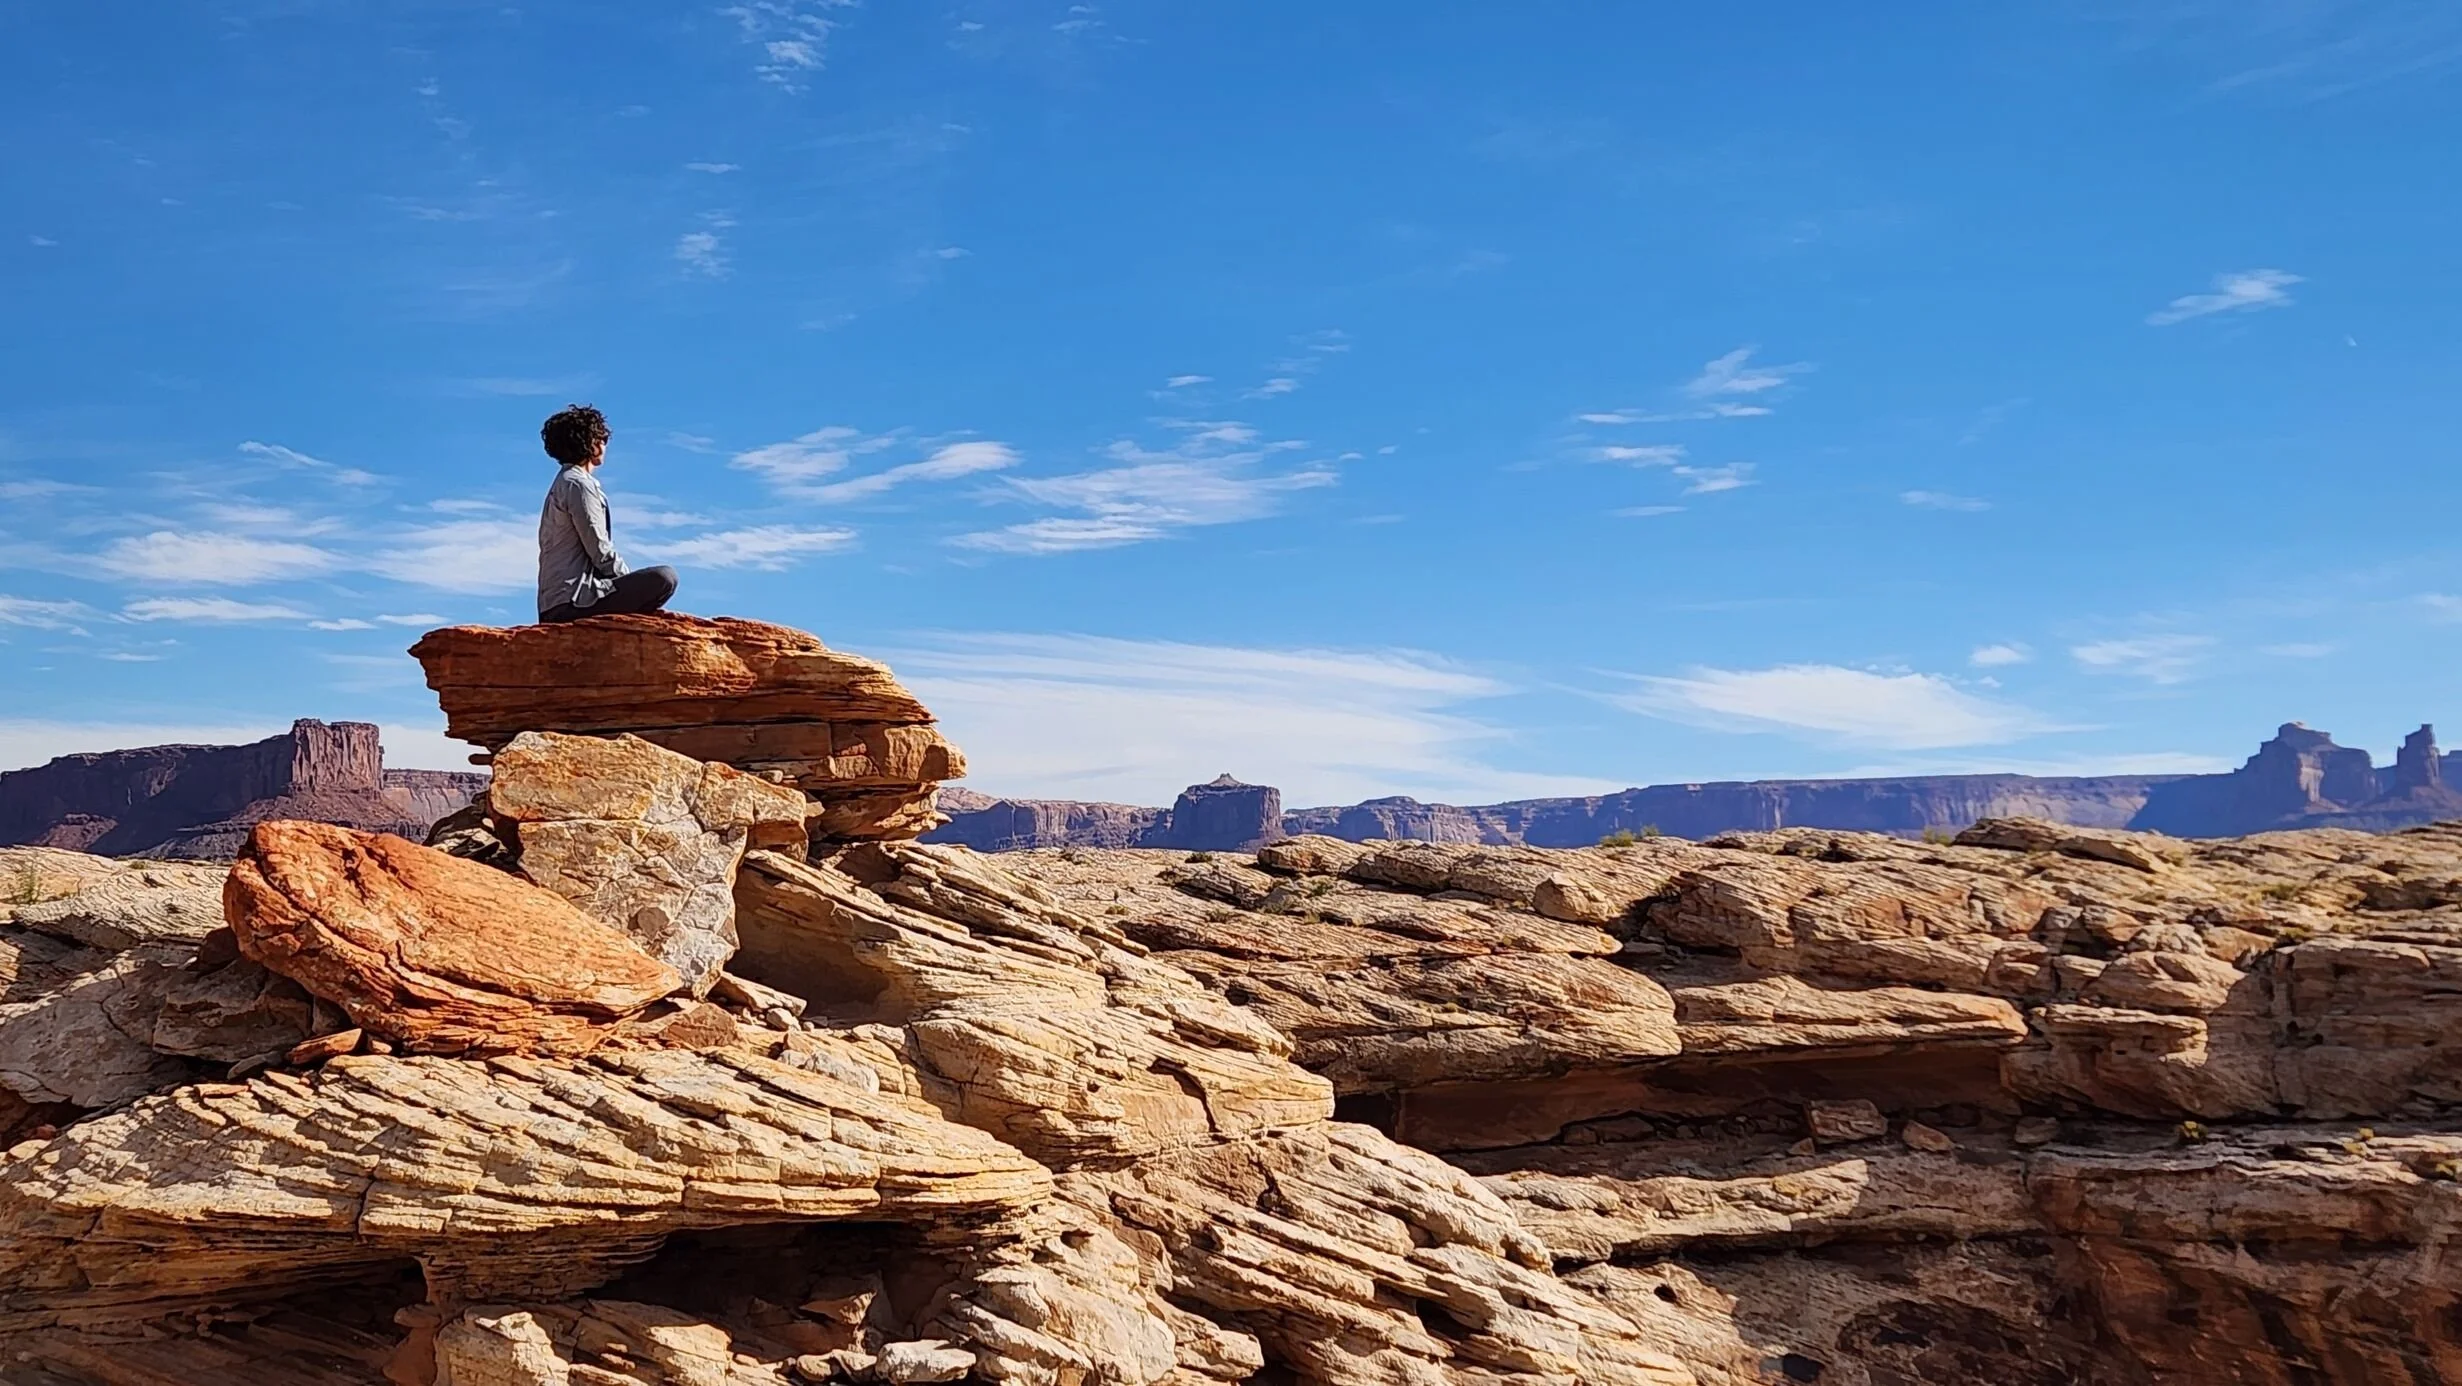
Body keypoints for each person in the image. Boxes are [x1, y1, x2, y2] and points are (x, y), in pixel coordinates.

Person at [535, 404, 678, 624]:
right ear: (589, 443)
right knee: (665, 578)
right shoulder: (578, 484)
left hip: (558, 602)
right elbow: (599, 549)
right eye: (601, 438)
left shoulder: (564, 482)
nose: (603, 444)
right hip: (574, 602)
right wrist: (628, 581)